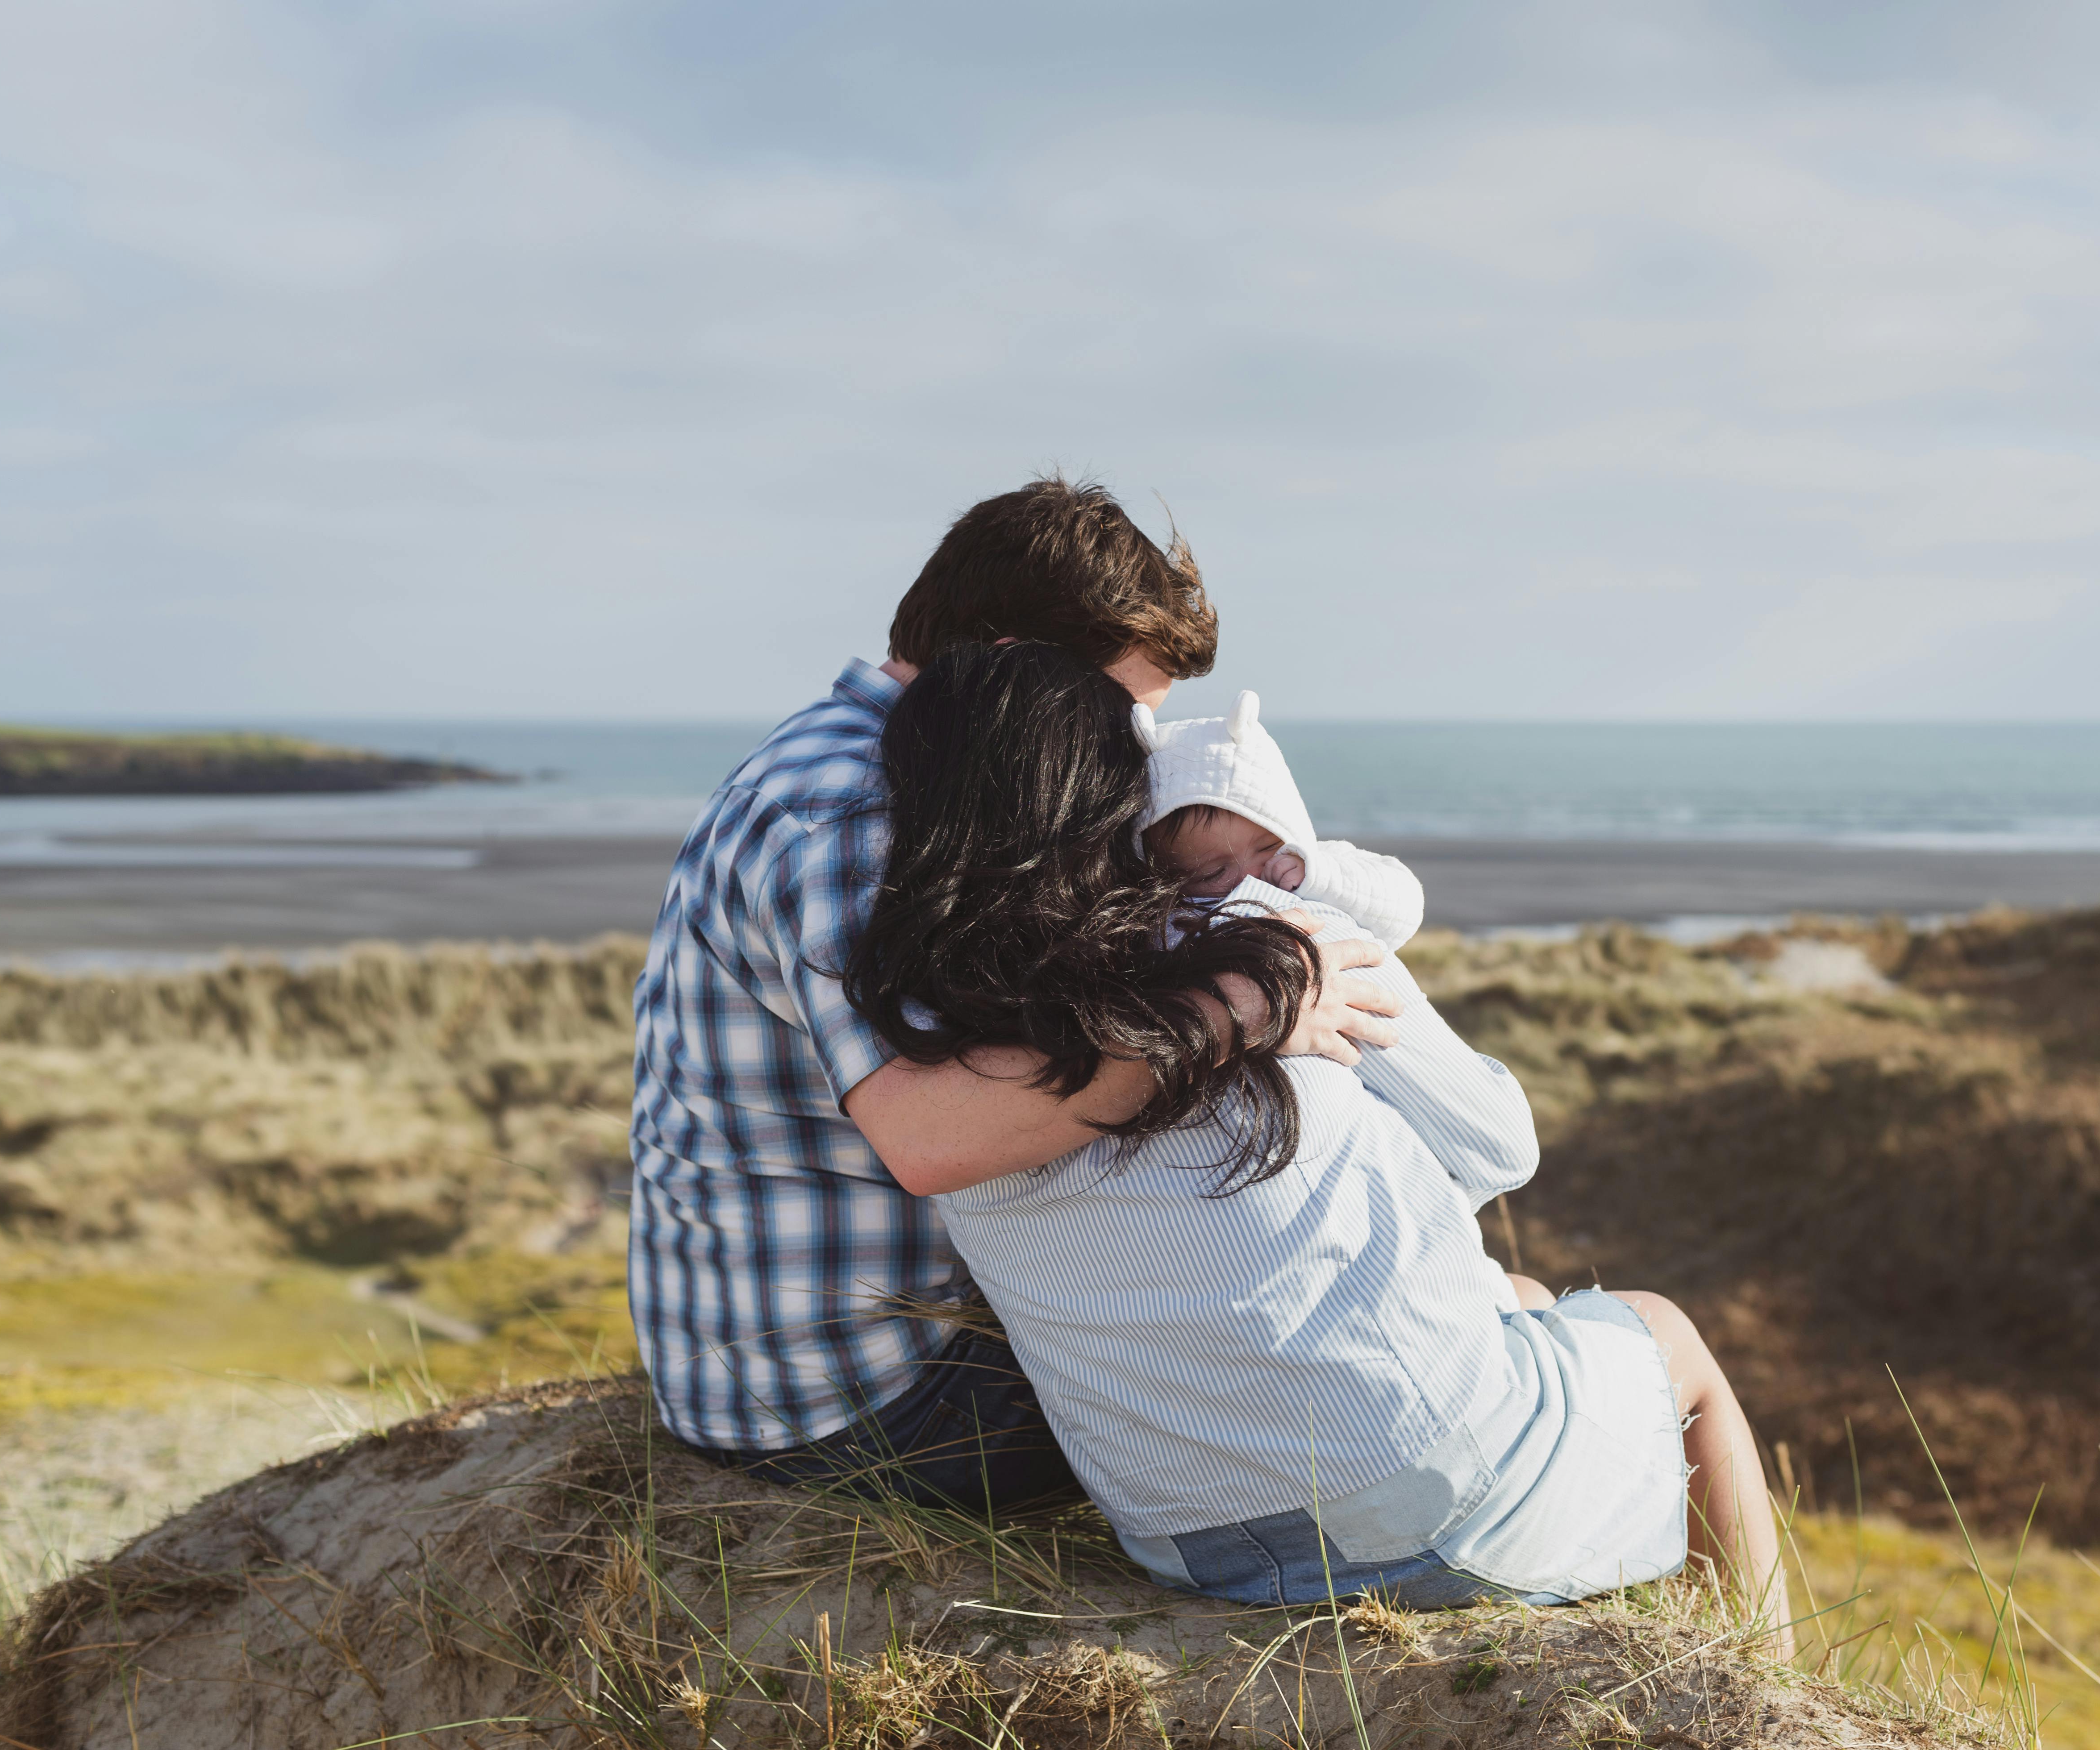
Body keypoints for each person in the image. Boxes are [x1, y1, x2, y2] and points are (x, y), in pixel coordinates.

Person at [860, 640, 1793, 1641]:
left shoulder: (920, 1034)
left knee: (1518, 1305)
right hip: (1423, 1497)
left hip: (1186, 1538)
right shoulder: (1263, 938)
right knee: (1667, 1336)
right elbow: (1497, 1151)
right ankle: (1776, 1683)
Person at [627, 479, 1404, 1506]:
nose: (1130, 753)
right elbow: (932, 1135)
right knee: (1371, 1393)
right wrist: (1235, 1011)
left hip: (800, 1372)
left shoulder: (863, 767)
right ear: (1012, 663)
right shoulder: (857, 807)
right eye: (1119, 713)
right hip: (871, 1401)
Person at [1133, 689, 1426, 949]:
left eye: (1267, 847)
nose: (1250, 878)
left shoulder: (1323, 863)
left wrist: (1321, 876)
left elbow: (1405, 906)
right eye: (1213, 873)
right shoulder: (1177, 922)